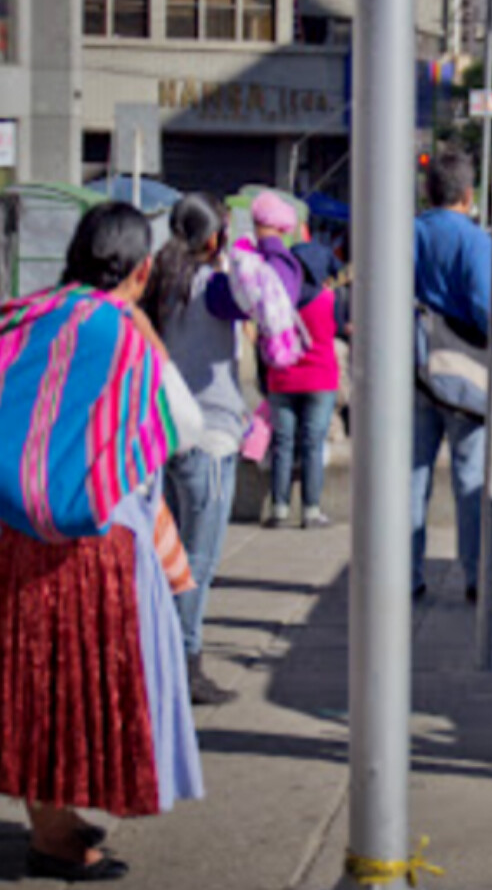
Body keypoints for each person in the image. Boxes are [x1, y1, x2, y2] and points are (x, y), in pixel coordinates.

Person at [0, 202, 204, 882]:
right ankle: (56, 839)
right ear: (141, 269)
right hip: (79, 550)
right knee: (65, 695)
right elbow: (183, 424)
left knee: (24, 691)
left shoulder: (21, 313)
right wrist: (146, 338)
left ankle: (52, 822)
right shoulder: (117, 331)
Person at [144, 194, 250, 707]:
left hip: (166, 436)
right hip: (210, 438)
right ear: (215, 237)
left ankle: (157, 654)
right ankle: (184, 664)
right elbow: (265, 294)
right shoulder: (214, 287)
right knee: (196, 563)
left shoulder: (161, 285)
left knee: (167, 557)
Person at [412, 152, 492, 604]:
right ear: (469, 196)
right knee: (470, 478)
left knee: (412, 478)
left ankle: (407, 574)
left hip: (414, 368)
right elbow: (487, 310)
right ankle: (476, 576)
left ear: (426, 191)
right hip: (465, 373)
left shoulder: (409, 233)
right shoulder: (475, 241)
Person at [264, 244, 341, 530]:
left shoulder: (278, 300)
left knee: (282, 445)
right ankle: (311, 510)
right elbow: (341, 328)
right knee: (312, 445)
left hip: (281, 379)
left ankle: (279, 509)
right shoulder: (329, 299)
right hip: (321, 379)